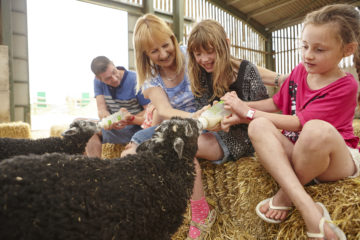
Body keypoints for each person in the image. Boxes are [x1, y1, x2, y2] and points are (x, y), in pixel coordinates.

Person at [123, 14, 286, 239]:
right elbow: (170, 110)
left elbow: (242, 75)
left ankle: (200, 214)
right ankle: (141, 210)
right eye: (154, 51)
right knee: (140, 148)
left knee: (180, 143)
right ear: (145, 55)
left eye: (165, 46)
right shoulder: (183, 73)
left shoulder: (203, 59)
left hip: (233, 132)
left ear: (173, 40)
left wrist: (281, 80)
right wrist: (206, 116)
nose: (162, 54)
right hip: (198, 123)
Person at [221, 4, 360, 239]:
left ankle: (289, 199)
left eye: (319, 49)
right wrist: (235, 107)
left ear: (347, 50)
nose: (308, 54)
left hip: (332, 161)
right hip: (298, 154)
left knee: (315, 129)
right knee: (257, 126)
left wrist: (247, 112)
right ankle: (309, 208)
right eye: (304, 46)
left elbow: (299, 123)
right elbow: (275, 103)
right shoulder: (299, 71)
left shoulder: (346, 85)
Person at [85, 56, 150, 157]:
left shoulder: (135, 79)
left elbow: (149, 111)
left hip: (135, 127)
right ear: (99, 78)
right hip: (114, 128)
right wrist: (108, 119)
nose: (114, 79)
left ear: (114, 65)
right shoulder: (97, 82)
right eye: (108, 78)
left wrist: (130, 118)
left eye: (114, 72)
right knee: (86, 130)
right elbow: (101, 109)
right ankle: (95, 166)